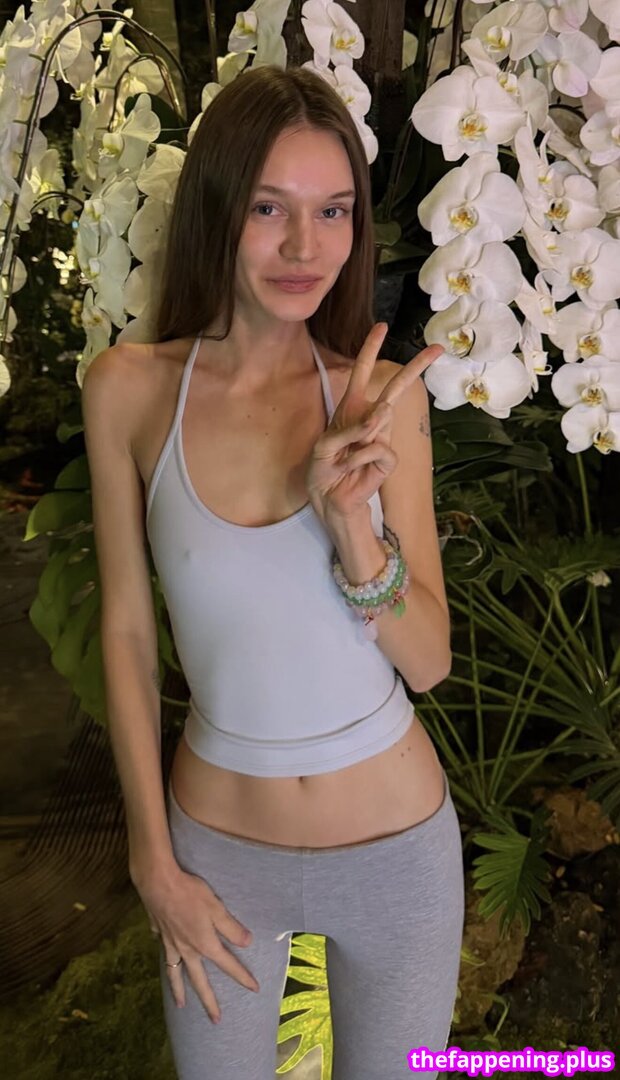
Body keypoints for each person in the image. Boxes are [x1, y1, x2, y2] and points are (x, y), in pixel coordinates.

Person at [82, 64, 465, 1080]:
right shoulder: (126, 390)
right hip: (216, 856)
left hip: (397, 853)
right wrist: (151, 861)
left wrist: (352, 530)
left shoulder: (383, 403)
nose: (306, 247)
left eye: (332, 210)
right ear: (217, 208)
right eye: (268, 208)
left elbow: (428, 663)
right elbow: (126, 630)